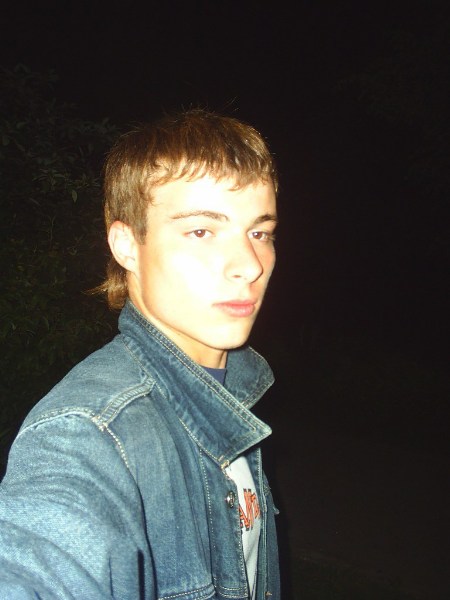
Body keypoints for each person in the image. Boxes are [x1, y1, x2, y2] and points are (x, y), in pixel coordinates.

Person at [0, 109, 280, 599]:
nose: (249, 265)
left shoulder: (233, 393)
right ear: (126, 245)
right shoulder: (86, 434)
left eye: (259, 232)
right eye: (201, 231)